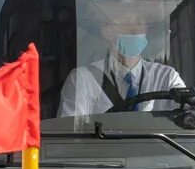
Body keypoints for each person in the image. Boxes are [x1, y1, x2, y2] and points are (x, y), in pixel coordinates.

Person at [57, 29, 188, 118]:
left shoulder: (166, 77)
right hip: (102, 157)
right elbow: (71, 135)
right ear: (107, 31)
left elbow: (188, 115)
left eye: (139, 24)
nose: (135, 31)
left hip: (155, 157)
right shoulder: (82, 79)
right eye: (127, 26)